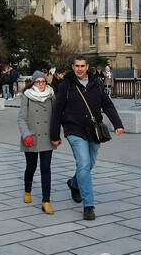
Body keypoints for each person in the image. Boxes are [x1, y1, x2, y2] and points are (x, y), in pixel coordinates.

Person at [50, 55, 125, 220]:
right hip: (74, 129)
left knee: (89, 164)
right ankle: (88, 205)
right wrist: (55, 135)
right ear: (73, 66)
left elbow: (107, 104)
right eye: (76, 66)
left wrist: (117, 123)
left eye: (82, 66)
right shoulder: (66, 85)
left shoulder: (96, 83)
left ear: (87, 66)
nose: (79, 69)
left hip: (94, 130)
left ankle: (74, 183)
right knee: (83, 164)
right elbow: (57, 111)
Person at [19, 70, 58, 214]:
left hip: (47, 138)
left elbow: (56, 117)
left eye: (43, 81)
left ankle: (46, 200)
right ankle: (27, 190)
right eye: (38, 82)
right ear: (33, 83)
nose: (41, 84)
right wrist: (26, 135)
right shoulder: (27, 96)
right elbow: (21, 118)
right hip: (32, 138)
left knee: (46, 169)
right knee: (31, 167)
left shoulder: (51, 95)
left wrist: (56, 135)